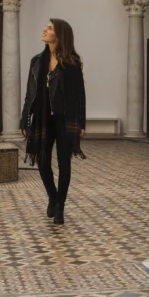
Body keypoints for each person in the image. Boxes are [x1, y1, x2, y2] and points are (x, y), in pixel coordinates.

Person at [20, 19, 86, 225]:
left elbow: (80, 96)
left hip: (65, 119)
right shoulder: (36, 61)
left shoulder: (72, 64)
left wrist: (81, 123)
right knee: (42, 159)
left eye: (49, 28)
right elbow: (29, 93)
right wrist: (24, 118)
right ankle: (53, 196)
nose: (45, 30)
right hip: (42, 117)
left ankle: (60, 207)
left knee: (64, 163)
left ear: (59, 35)